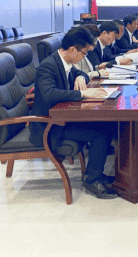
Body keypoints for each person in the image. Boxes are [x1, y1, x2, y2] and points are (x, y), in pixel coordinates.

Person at [29, 26, 118, 199]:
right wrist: (82, 94)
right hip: (48, 126)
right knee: (100, 133)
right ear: (72, 49)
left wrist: (81, 76)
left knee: (107, 124)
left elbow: (80, 73)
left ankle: (96, 173)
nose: (85, 57)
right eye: (84, 53)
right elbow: (49, 94)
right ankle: (92, 181)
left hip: (61, 118)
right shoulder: (48, 66)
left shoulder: (65, 62)